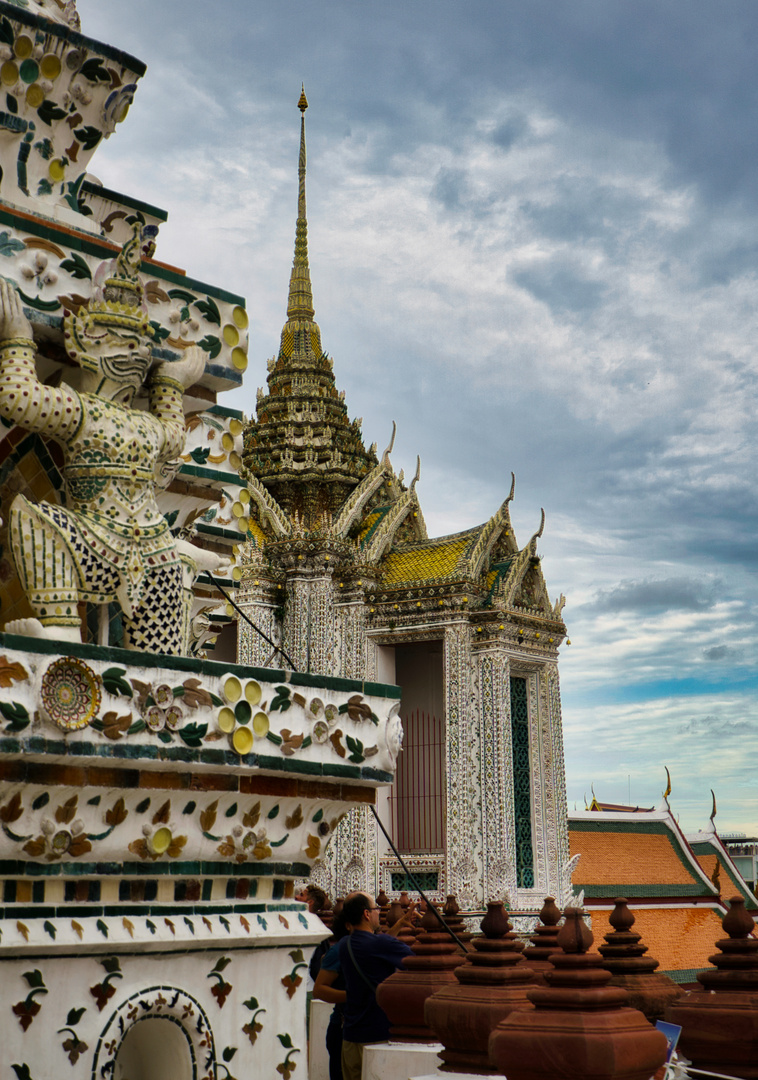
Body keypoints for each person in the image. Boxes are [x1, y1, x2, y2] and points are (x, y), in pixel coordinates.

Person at [336, 892, 415, 1080]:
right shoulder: (381, 944)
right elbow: (418, 963)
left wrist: (395, 928)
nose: (378, 913)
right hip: (378, 1035)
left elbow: (373, 947)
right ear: (366, 914)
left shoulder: (344, 945)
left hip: (351, 1036)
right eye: (376, 909)